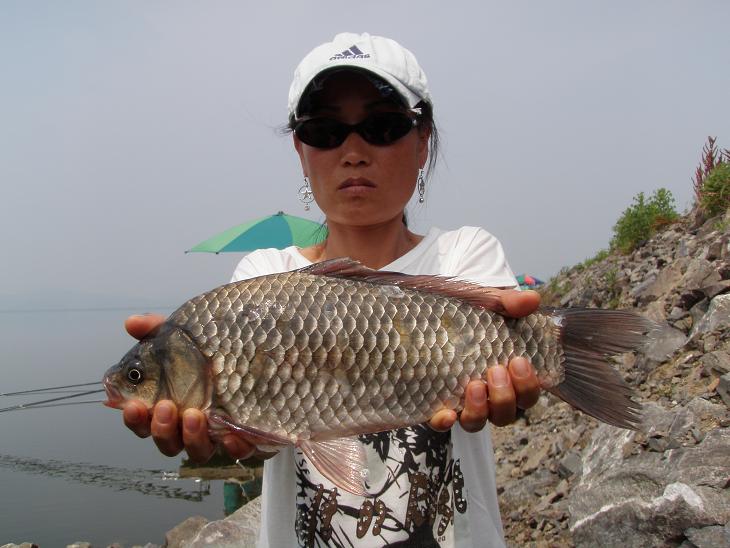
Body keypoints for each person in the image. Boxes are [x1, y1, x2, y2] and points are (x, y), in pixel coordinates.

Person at [123, 32, 541, 547]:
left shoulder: (466, 256)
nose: (354, 152)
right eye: (324, 131)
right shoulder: (263, 275)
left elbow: (509, 389)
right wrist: (230, 437)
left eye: (383, 126)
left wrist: (519, 385)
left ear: (423, 141)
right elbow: (257, 444)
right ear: (301, 151)